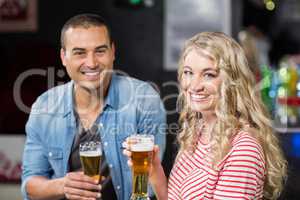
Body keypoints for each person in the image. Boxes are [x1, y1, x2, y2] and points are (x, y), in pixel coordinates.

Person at [124, 32, 287, 199]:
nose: (194, 85)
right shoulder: (197, 132)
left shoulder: (243, 150)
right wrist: (156, 173)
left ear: (231, 81)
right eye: (188, 72)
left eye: (208, 74)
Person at [21, 13, 166, 200]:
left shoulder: (143, 99)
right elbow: (29, 184)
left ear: (113, 52)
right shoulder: (44, 107)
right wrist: (62, 186)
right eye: (80, 52)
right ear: (63, 57)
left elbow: (149, 183)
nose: (91, 63)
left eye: (100, 51)